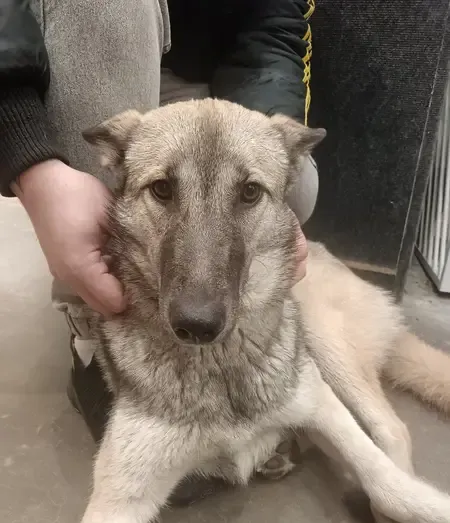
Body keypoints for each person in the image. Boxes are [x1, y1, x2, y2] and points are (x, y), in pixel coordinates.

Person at [0, 0, 318, 441]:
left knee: (301, 191)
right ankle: (90, 324)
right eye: (163, 191)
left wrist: (268, 142)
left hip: (217, 83)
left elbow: (274, 31)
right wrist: (32, 165)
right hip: (103, 60)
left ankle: (248, 334)